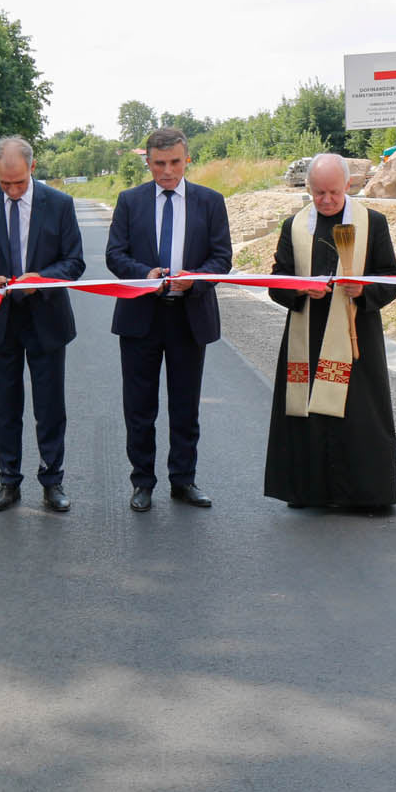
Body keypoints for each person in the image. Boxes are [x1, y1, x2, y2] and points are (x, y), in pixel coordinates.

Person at [262, 153, 396, 509]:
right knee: (308, 414)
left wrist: (365, 290)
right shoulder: (293, 226)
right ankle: (309, 491)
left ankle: (364, 495)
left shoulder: (372, 222)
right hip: (306, 335)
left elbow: (392, 278)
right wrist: (299, 289)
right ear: (308, 189)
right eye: (318, 193)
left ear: (349, 186)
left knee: (358, 415)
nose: (325, 201)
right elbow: (275, 283)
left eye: (333, 193)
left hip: (357, 336)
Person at [104, 126, 232, 512]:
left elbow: (221, 258)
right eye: (158, 163)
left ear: (186, 159)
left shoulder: (211, 201)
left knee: (185, 406)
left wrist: (197, 279)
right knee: (139, 407)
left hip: (189, 317)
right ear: (147, 162)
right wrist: (144, 274)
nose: (167, 171)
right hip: (141, 316)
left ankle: (184, 480)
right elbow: (115, 255)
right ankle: (142, 482)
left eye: (174, 162)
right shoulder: (129, 201)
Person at [0, 136, 85, 513]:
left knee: (49, 407)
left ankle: (52, 481)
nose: (13, 191)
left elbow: (74, 262)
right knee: (5, 406)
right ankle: (8, 482)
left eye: (19, 182)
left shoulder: (59, 204)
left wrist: (41, 279)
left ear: (32, 168)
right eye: (4, 184)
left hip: (46, 317)